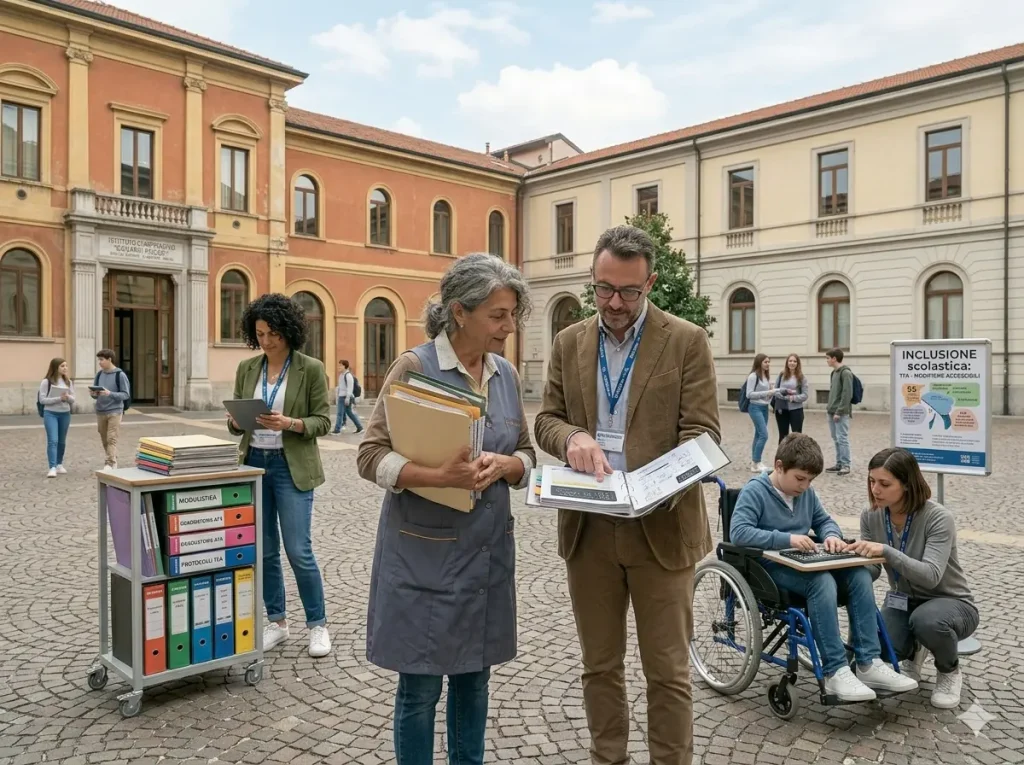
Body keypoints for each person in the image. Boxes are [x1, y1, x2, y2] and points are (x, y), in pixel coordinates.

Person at [534, 224, 720, 765]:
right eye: (603, 289)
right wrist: (571, 438)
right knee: (599, 666)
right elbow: (546, 418)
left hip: (661, 529)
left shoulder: (686, 340)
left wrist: (657, 482)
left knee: (667, 672)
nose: (614, 303)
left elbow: (703, 432)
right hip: (590, 529)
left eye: (629, 292)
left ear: (651, 283)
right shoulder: (569, 341)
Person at [357, 253, 535, 765]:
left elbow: (526, 453)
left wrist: (506, 465)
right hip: (423, 556)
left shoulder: (504, 374)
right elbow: (369, 456)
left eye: (512, 316)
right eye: (498, 315)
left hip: (485, 557)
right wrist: (437, 477)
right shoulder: (414, 367)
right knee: (419, 692)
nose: (508, 327)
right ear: (460, 312)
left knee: (474, 685)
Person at [730, 433, 919, 702]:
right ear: (779, 466)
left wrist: (831, 535)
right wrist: (787, 538)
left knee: (858, 575)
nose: (805, 486)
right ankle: (835, 670)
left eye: (810, 481)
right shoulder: (755, 491)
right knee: (822, 582)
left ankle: (868, 663)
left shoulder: (806, 494)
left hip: (803, 563)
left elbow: (824, 521)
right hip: (769, 568)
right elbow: (739, 532)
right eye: (800, 479)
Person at [226, 293, 333, 658]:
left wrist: (290, 422)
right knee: (266, 551)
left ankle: (318, 625)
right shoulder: (248, 369)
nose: (267, 341)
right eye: (260, 334)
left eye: (273, 333)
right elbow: (236, 425)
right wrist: (235, 420)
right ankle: (277, 621)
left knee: (298, 550)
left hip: (291, 468)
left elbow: (324, 421)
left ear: (288, 331)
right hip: (254, 462)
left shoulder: (311, 368)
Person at [848, 448, 979, 709]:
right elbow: (873, 569)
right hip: (902, 601)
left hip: (951, 603)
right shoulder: (871, 515)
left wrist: (886, 551)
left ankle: (949, 671)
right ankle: (915, 650)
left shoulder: (938, 517)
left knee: (926, 621)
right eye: (872, 481)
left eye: (884, 483)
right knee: (884, 652)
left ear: (907, 484)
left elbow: (930, 576)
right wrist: (852, 563)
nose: (875, 490)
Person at [92, 349, 131, 471]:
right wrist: (93, 393)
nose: (100, 362)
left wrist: (110, 393)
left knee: (111, 438)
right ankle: (113, 458)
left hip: (115, 411)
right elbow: (95, 396)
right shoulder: (99, 374)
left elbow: (125, 395)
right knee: (104, 438)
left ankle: (109, 462)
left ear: (109, 359)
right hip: (101, 410)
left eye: (102, 360)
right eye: (99, 360)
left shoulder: (120, 375)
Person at [39, 357, 74, 477]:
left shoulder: (68, 382)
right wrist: (59, 398)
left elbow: (73, 399)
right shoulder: (46, 382)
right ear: (56, 368)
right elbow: (42, 400)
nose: (65, 368)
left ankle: (59, 464)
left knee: (61, 441)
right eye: (62, 366)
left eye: (66, 366)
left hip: (65, 413)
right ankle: (52, 467)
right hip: (51, 413)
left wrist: (68, 397)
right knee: (53, 440)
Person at [825, 347, 853, 475]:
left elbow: (847, 394)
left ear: (834, 358)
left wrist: (839, 411)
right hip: (831, 410)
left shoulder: (845, 373)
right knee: (836, 438)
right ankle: (839, 463)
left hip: (840, 412)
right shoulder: (834, 373)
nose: (827, 361)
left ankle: (846, 465)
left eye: (827, 358)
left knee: (842, 438)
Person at [745, 353, 774, 472]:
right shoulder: (753, 376)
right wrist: (766, 393)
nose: (768, 364)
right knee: (764, 434)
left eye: (768, 362)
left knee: (758, 434)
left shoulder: (766, 376)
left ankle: (755, 463)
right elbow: (749, 394)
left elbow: (767, 397)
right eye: (765, 362)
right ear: (759, 362)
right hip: (755, 407)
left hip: (764, 407)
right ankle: (757, 461)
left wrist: (771, 392)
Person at [773, 353, 809, 441]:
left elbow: (805, 395)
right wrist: (782, 394)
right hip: (782, 409)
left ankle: (796, 454)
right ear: (787, 363)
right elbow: (775, 390)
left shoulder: (802, 378)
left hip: (796, 410)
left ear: (798, 364)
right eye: (790, 361)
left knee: (797, 437)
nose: (792, 363)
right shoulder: (781, 375)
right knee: (783, 436)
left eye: (794, 361)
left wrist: (792, 398)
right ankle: (782, 455)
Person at [332, 359, 363, 435]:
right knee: (350, 413)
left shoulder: (348, 376)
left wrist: (347, 398)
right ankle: (360, 428)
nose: (339, 367)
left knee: (340, 413)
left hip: (345, 397)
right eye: (339, 365)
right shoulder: (341, 375)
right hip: (341, 397)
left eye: (341, 365)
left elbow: (350, 388)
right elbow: (341, 387)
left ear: (345, 366)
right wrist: (338, 396)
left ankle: (337, 430)